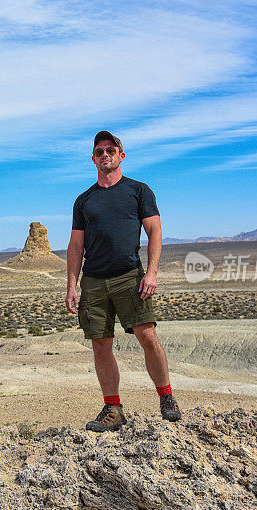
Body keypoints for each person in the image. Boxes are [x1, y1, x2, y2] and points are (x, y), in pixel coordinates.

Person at [65, 130, 181, 431]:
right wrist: (71, 285)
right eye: (100, 151)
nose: (105, 155)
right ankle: (113, 408)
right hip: (93, 281)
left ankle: (166, 397)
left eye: (111, 150)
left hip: (130, 277)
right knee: (100, 345)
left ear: (121, 155)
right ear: (93, 159)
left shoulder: (139, 191)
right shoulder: (84, 200)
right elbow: (76, 245)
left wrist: (152, 272)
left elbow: (155, 231)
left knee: (147, 336)